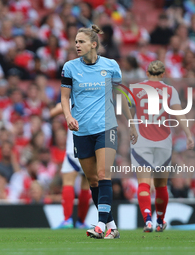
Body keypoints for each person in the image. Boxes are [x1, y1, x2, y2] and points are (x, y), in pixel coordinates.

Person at [60, 24, 138, 239]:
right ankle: (111, 225)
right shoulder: (69, 67)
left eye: (81, 41)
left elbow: (121, 96)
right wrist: (68, 116)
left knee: (104, 175)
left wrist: (131, 123)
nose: (77, 45)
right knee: (93, 180)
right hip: (81, 130)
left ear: (93, 44)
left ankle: (100, 225)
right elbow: (64, 97)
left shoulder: (111, 66)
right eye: (75, 41)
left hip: (106, 127)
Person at [130, 60, 194, 232]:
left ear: (147, 72)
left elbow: (125, 108)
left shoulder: (135, 88)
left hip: (141, 140)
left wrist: (130, 127)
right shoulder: (169, 90)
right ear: (163, 74)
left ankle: (147, 220)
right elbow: (179, 113)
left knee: (144, 183)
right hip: (164, 142)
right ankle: (160, 221)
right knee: (161, 185)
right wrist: (188, 134)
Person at [50, 103, 91, 229]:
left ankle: (67, 220)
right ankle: (81, 222)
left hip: (74, 147)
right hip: (90, 147)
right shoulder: (96, 99)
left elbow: (52, 113)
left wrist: (62, 109)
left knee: (68, 182)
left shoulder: (72, 99)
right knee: (86, 186)